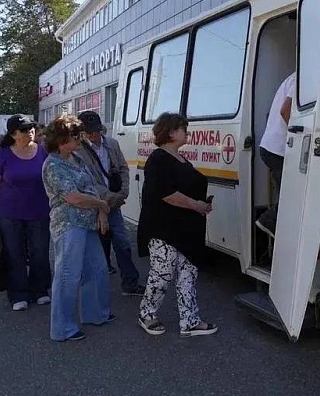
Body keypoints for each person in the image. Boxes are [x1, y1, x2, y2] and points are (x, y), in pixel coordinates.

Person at [136, 112, 217, 337]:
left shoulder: (181, 158)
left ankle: (190, 321)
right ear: (171, 132)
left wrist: (202, 205)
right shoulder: (158, 159)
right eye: (183, 127)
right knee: (162, 273)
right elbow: (166, 194)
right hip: (163, 228)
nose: (187, 130)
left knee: (187, 274)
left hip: (185, 230)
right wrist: (196, 205)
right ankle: (147, 314)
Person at [41, 115, 113, 342]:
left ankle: (95, 314)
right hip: (69, 224)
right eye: (76, 136)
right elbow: (73, 197)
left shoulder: (76, 158)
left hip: (87, 222)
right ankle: (63, 328)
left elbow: (92, 188)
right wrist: (102, 205)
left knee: (98, 268)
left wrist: (101, 211)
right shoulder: (53, 164)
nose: (80, 139)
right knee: (68, 275)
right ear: (62, 140)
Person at [0, 114, 52, 312]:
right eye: (24, 129)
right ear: (13, 134)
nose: (30, 131)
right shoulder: (3, 155)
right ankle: (18, 293)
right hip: (9, 213)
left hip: (40, 211)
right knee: (15, 253)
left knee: (40, 252)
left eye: (32, 128)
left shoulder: (43, 152)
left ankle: (40, 290)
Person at [74, 110, 145, 294]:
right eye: (89, 132)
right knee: (96, 246)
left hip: (113, 203)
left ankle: (130, 283)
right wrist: (107, 200)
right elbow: (87, 181)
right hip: (92, 204)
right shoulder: (77, 150)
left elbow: (123, 168)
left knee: (122, 243)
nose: (94, 135)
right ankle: (95, 286)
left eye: (96, 131)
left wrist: (123, 192)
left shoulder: (111, 144)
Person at [255, 71, 295, 238]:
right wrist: (300, 137)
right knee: (293, 193)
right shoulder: (305, 76)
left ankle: (275, 225)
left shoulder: (295, 76)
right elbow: (286, 111)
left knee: (289, 192)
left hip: (273, 147)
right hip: (278, 149)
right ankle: (269, 221)